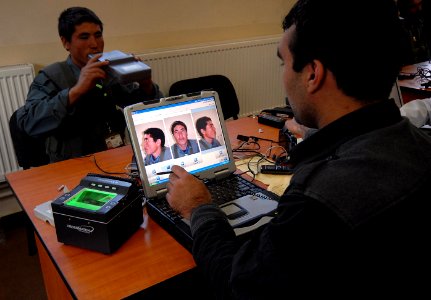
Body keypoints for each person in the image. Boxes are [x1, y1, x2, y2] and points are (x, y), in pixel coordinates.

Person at [165, 0, 430, 298]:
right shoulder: (418, 143)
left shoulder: (319, 203)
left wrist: (198, 207)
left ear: (313, 74)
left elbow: (236, 284)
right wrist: (321, 132)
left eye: (284, 63)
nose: (283, 75)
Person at [15, 7, 163, 163]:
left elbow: (145, 109)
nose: (94, 44)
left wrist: (146, 85)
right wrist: (76, 91)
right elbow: (28, 123)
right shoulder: (51, 76)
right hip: (71, 163)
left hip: (111, 156)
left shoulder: (109, 71)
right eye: (84, 37)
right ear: (66, 42)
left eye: (98, 35)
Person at [397, 0, 431, 65]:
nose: (419, 9)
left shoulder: (420, 22)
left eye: (420, 4)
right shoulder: (402, 28)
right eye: (414, 6)